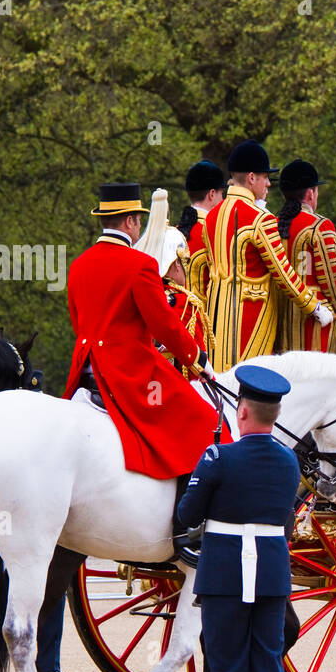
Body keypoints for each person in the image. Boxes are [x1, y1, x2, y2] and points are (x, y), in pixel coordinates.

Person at [176, 365, 302, 672]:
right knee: (267, 663)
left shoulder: (219, 456)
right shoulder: (289, 463)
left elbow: (187, 515)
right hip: (269, 573)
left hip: (226, 571)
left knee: (228, 667)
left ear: (243, 412)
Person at [62, 182, 224, 483]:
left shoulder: (78, 265)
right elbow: (164, 326)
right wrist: (197, 359)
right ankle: (187, 510)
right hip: (126, 373)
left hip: (86, 369)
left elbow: (78, 323)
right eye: (138, 220)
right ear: (129, 221)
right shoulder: (140, 265)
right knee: (205, 421)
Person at [202, 141, 332, 370]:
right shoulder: (259, 219)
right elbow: (283, 273)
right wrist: (315, 307)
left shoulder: (211, 216)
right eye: (265, 177)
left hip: (216, 316)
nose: (269, 183)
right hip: (252, 315)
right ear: (252, 178)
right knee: (250, 382)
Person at [275, 159, 336, 352]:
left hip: (278, 317)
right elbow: (332, 281)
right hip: (315, 320)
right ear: (311, 193)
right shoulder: (319, 226)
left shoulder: (270, 224)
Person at [138, 188, 214, 380]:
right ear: (177, 263)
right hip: (173, 392)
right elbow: (196, 373)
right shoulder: (186, 303)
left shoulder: (137, 297)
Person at [178, 160, 226, 304]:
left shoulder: (175, 231)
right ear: (212, 194)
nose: (223, 200)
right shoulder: (215, 233)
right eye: (221, 194)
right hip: (207, 321)